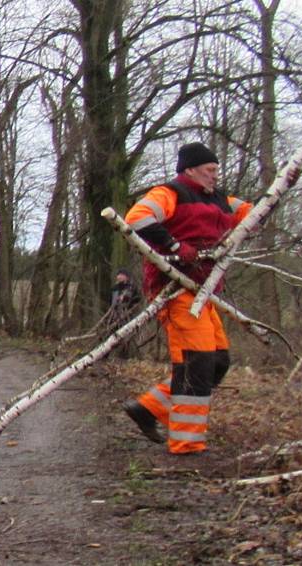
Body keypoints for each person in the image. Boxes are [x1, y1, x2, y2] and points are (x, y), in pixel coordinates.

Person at [121, 142, 252, 454]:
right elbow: (137, 218)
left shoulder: (220, 200)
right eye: (209, 171)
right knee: (196, 363)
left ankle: (148, 409)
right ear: (190, 169)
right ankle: (186, 444)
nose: (214, 177)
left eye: (217, 171)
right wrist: (177, 247)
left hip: (205, 293)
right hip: (175, 288)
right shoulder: (171, 193)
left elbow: (251, 214)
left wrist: (284, 184)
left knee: (217, 362)